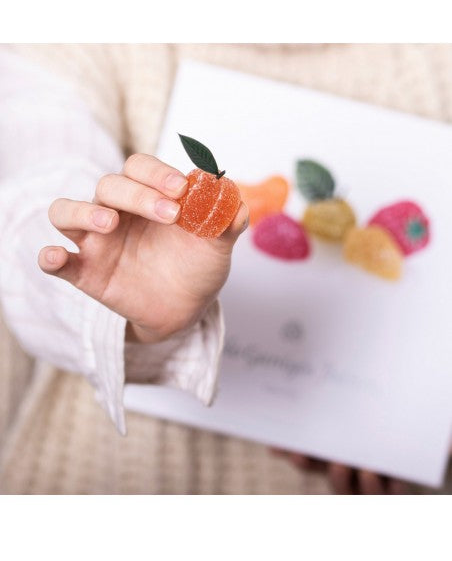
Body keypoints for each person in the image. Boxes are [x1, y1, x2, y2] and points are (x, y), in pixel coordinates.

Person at [1, 43, 450, 494]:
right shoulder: (83, 44)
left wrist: (426, 419)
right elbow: (33, 198)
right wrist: (119, 303)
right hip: (114, 473)